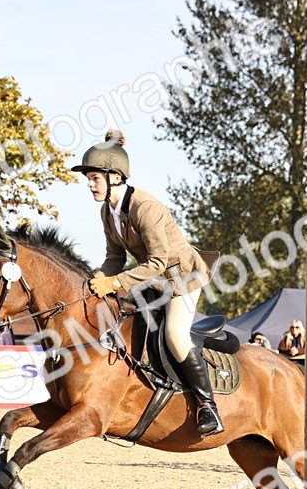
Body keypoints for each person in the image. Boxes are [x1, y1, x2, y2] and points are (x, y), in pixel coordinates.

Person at [72, 130, 222, 436]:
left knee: (174, 335)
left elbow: (157, 261)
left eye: (94, 178)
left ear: (114, 176)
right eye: (88, 178)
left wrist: (114, 283)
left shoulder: (145, 207)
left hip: (182, 277)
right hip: (153, 280)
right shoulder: (107, 211)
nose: (89, 184)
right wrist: (97, 279)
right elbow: (114, 258)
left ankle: (209, 409)